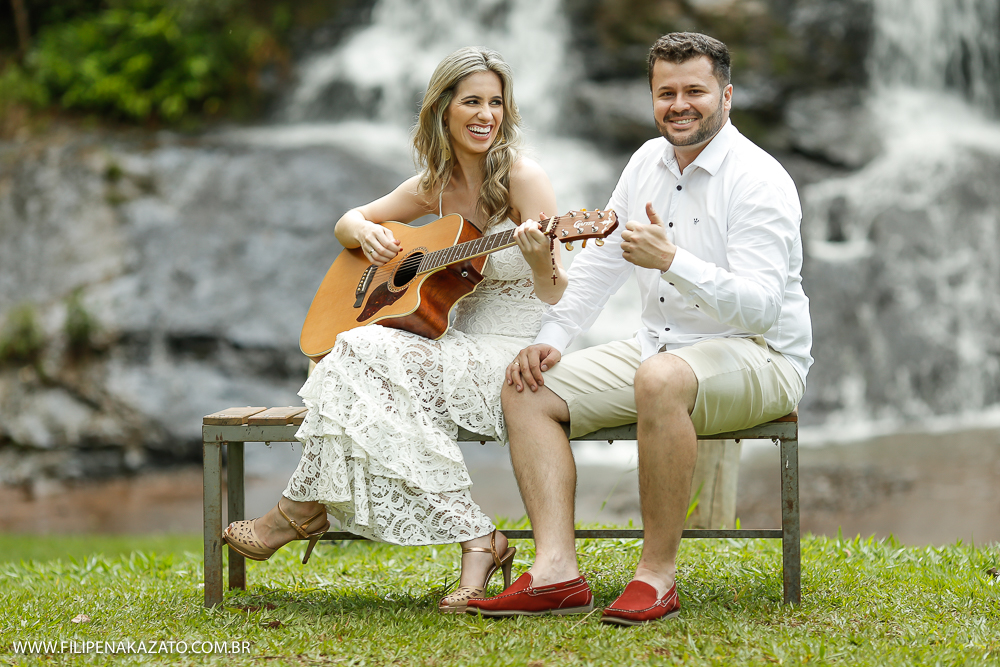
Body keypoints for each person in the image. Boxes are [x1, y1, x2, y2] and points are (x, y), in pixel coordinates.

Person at [466, 32, 813, 624]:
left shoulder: (759, 179)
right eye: (666, 92)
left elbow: (760, 308)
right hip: (663, 346)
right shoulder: (644, 162)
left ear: (726, 96)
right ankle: (555, 572)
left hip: (761, 355)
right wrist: (549, 338)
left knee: (659, 379)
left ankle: (656, 577)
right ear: (651, 97)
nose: (679, 104)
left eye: (695, 91)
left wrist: (673, 260)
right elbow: (601, 266)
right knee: (526, 387)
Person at [223, 46, 566, 614]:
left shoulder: (524, 179)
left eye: (496, 103)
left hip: (511, 354)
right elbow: (347, 222)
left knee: (353, 354)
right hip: (449, 343)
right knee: (354, 351)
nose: (486, 115)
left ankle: (300, 511)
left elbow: (557, 291)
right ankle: (478, 541)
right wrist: (366, 232)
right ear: (443, 109)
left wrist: (537, 257)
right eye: (472, 101)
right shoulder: (434, 183)